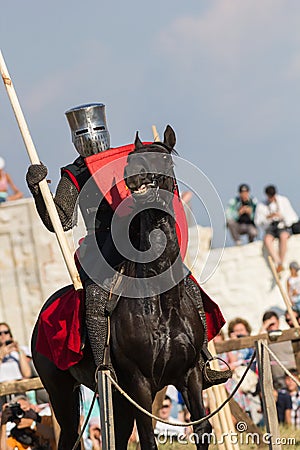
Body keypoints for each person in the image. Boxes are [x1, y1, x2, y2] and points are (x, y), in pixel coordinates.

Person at [26, 102, 230, 387]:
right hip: (101, 251)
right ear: (75, 138)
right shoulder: (73, 174)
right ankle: (104, 371)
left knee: (187, 283)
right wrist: (38, 191)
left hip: (139, 240)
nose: (92, 137)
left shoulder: (128, 160)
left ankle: (203, 359)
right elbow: (59, 221)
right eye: (85, 132)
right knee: (96, 297)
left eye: (96, 130)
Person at [255, 185, 298, 273]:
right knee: (267, 239)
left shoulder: (283, 201)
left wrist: (280, 216)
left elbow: (292, 217)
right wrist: (268, 217)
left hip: (282, 226)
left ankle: (281, 262)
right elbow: (258, 221)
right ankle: (278, 262)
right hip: (270, 227)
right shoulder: (261, 205)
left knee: (284, 236)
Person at [260, 310, 296, 390]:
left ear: (278, 322)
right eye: (269, 325)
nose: (271, 326)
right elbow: (255, 345)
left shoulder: (288, 336)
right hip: (278, 384)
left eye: (273, 323)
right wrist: (264, 327)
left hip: (294, 380)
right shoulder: (265, 341)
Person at [0, 323, 32, 408]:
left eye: (6, 332)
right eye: (0, 333)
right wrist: (1, 356)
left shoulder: (20, 351)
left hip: (19, 391)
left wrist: (19, 352)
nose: (3, 336)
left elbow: (27, 374)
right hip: (2, 394)